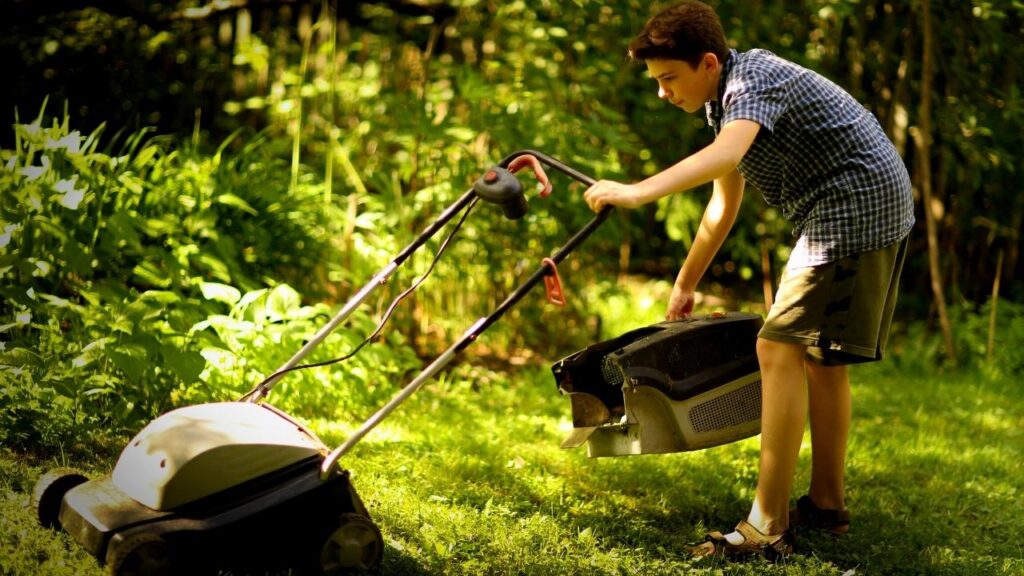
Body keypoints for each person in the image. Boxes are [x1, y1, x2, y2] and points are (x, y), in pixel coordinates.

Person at [582, 0, 914, 559]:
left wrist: (637, 190)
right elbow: (724, 197)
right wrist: (687, 282)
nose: (663, 93)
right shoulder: (724, 100)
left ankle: (766, 525)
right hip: (867, 204)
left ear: (708, 62)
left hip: (852, 208)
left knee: (777, 348)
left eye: (669, 78)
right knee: (821, 357)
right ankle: (827, 505)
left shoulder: (750, 84)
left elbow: (725, 156)